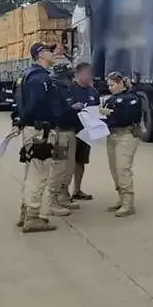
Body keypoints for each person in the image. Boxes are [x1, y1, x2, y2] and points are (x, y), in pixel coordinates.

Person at [12, 42, 62, 233]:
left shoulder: (26, 75)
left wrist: (18, 121)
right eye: (50, 50)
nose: (54, 52)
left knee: (30, 172)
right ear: (40, 55)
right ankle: (32, 217)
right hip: (41, 131)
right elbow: (35, 105)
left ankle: (25, 213)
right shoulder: (40, 79)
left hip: (31, 129)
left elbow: (18, 103)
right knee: (39, 174)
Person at [101, 71, 142, 217]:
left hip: (126, 135)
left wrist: (109, 114)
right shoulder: (111, 99)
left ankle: (128, 203)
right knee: (114, 169)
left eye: (112, 85)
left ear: (120, 83)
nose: (110, 88)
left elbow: (127, 116)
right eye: (109, 85)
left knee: (123, 168)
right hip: (112, 135)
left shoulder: (132, 98)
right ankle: (120, 198)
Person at [46, 60, 83, 216]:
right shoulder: (54, 89)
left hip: (70, 131)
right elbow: (57, 112)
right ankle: (52, 201)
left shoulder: (67, 88)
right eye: (69, 75)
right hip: (59, 133)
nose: (71, 78)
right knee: (58, 167)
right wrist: (72, 108)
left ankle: (63, 195)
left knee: (68, 167)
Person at [68, 62, 100, 200]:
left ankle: (77, 190)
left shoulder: (93, 92)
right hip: (68, 131)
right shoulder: (69, 89)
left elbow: (97, 111)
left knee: (80, 161)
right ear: (78, 74)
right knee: (64, 163)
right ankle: (61, 193)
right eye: (86, 73)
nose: (89, 77)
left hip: (85, 132)